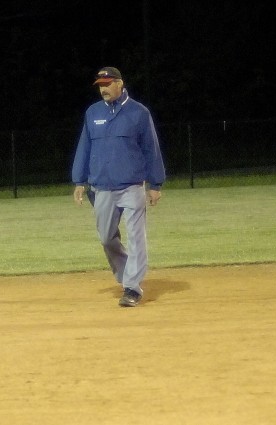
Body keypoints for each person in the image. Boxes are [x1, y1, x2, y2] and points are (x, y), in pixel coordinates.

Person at [71, 66, 166, 307]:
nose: (103, 89)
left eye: (107, 84)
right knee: (106, 237)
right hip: (102, 187)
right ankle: (126, 276)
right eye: (100, 85)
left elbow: (151, 148)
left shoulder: (138, 113)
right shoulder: (93, 112)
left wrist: (155, 183)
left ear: (120, 84)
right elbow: (85, 147)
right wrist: (79, 180)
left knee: (136, 237)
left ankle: (132, 288)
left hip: (132, 186)